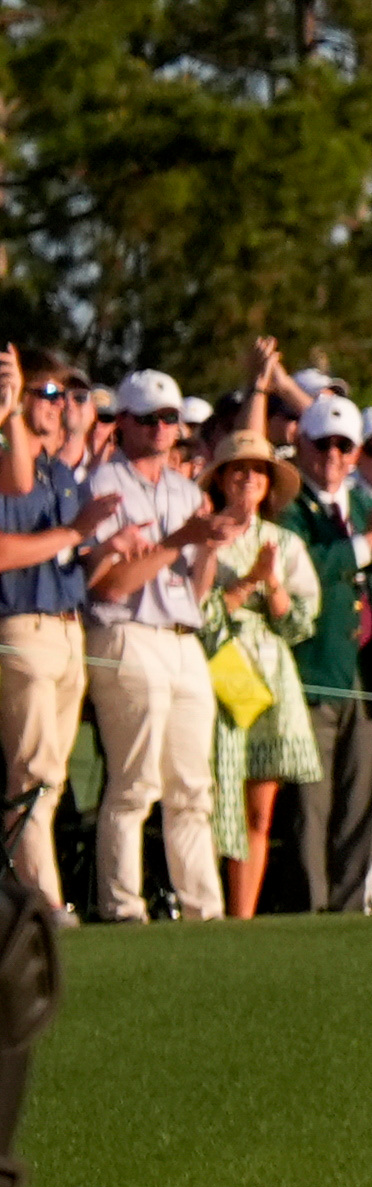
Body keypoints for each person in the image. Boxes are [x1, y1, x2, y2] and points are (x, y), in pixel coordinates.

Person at [80, 370, 228, 921]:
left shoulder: (187, 490)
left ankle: (204, 908)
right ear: (123, 423)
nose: (163, 429)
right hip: (125, 631)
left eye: (171, 419)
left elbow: (196, 587)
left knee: (193, 785)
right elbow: (111, 584)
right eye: (150, 419)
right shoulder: (100, 486)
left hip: (182, 637)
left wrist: (210, 542)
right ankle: (123, 906)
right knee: (135, 782)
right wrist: (178, 541)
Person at [198, 415, 320, 918]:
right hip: (217, 670)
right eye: (238, 471)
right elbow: (197, 614)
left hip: (270, 675)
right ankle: (209, 904)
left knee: (258, 808)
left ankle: (243, 915)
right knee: (214, 799)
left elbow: (301, 625)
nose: (248, 480)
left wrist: (272, 586)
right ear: (222, 479)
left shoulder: (286, 543)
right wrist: (247, 581)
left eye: (257, 472)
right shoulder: (202, 536)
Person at [286, 387, 372, 910]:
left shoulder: (361, 503)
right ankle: (312, 906)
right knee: (313, 803)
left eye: (343, 446)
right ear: (303, 447)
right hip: (317, 668)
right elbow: (306, 568)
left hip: (368, 672)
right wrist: (367, 542)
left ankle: (351, 906)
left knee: (360, 803)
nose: (332, 456)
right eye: (322, 445)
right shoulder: (291, 506)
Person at [0, 354, 94, 911]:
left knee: (46, 781)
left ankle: (20, 904)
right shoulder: (10, 461)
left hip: (67, 630)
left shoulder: (58, 473)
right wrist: (71, 534)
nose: (58, 405)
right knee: (34, 774)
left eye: (64, 396)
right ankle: (45, 907)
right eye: (47, 392)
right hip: (20, 626)